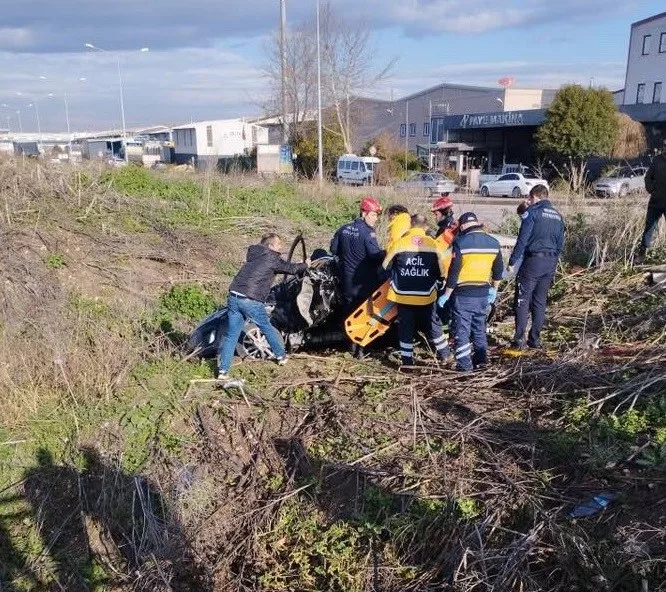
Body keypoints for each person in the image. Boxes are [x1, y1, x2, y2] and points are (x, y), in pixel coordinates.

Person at [217, 233, 309, 379]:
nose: (281, 247)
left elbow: (282, 266)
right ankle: (281, 356)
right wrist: (306, 264)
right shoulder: (271, 257)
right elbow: (291, 269)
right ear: (270, 246)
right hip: (250, 299)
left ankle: (223, 371)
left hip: (234, 295)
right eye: (278, 244)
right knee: (266, 327)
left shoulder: (256, 254)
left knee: (231, 335)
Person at [438, 212, 504, 372]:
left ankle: (464, 367)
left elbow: (454, 271)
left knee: (462, 331)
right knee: (479, 328)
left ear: (463, 225)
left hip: (463, 294)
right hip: (483, 293)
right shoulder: (494, 242)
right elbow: (498, 270)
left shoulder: (461, 242)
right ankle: (481, 362)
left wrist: (447, 294)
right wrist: (494, 290)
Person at [383, 214, 451, 365]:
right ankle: (445, 354)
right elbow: (442, 271)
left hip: (403, 295)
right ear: (425, 226)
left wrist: (397, 276)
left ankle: (407, 361)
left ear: (410, 225)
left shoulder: (400, 243)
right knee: (433, 324)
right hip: (426, 294)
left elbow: (385, 266)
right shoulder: (433, 244)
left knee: (406, 327)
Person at [507, 184, 565, 350]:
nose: (529, 201)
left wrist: (512, 261)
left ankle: (519, 340)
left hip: (533, 262)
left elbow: (522, 239)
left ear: (535, 197)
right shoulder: (558, 216)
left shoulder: (531, 213)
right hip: (550, 262)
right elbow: (560, 243)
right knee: (540, 302)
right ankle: (535, 340)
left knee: (522, 301)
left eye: (530, 198)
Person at [330, 196, 385, 310]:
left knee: (348, 311)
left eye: (377, 215)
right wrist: (387, 252)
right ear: (364, 213)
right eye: (373, 215)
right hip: (364, 284)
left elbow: (333, 250)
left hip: (346, 282)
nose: (376, 219)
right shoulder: (368, 233)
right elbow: (375, 257)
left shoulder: (343, 229)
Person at [638, 139, 666, 261]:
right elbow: (648, 177)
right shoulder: (657, 160)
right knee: (649, 227)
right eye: (665, 145)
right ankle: (642, 254)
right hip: (656, 201)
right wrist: (651, 190)